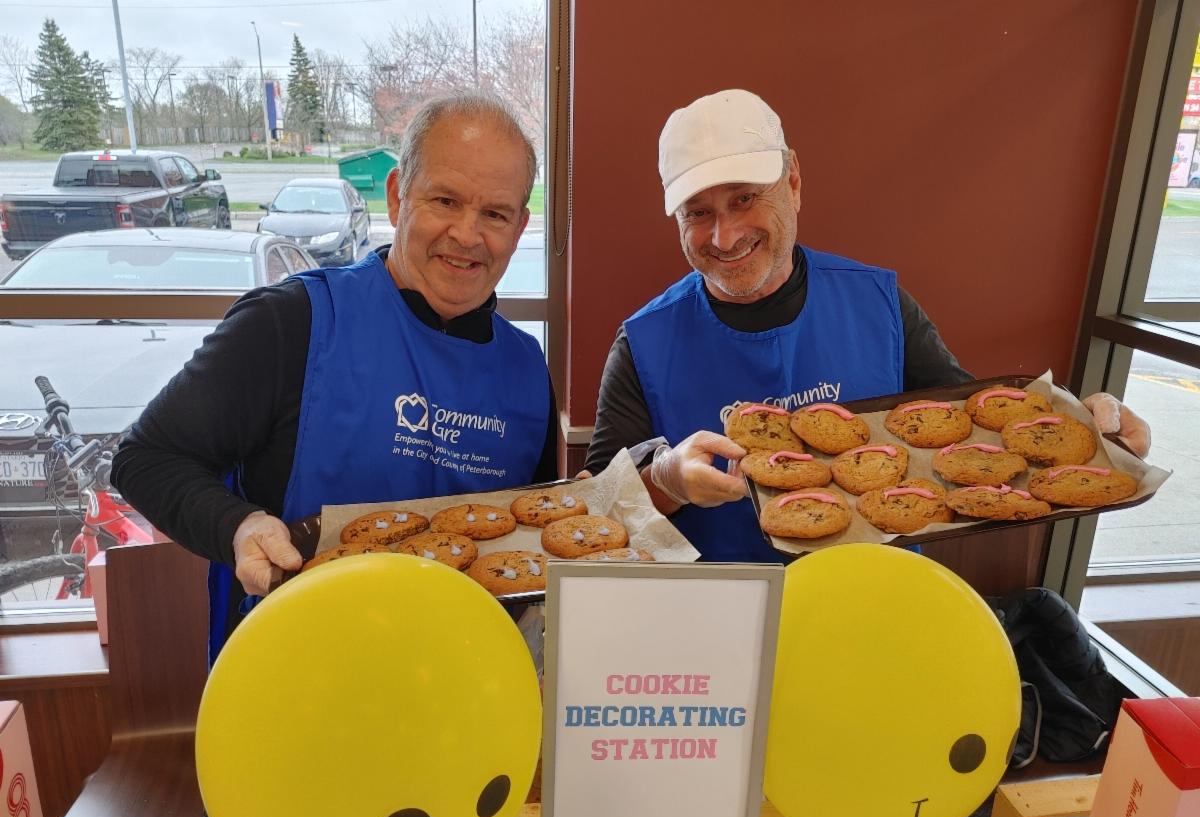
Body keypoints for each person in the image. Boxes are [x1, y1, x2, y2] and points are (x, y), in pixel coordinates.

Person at [582, 88, 1150, 562]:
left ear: (794, 180)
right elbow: (597, 513)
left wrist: (1093, 437)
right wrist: (665, 481)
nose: (724, 236)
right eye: (697, 213)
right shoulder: (645, 343)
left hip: (877, 605)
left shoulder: (879, 303)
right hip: (719, 628)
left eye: (745, 198)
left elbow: (980, 434)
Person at [113, 92, 557, 660]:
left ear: (519, 227)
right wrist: (240, 526)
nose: (468, 235)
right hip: (298, 672)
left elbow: (524, 540)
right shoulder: (292, 322)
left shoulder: (525, 371)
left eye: (494, 213)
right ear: (398, 198)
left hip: (460, 682)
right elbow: (145, 458)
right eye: (445, 200)